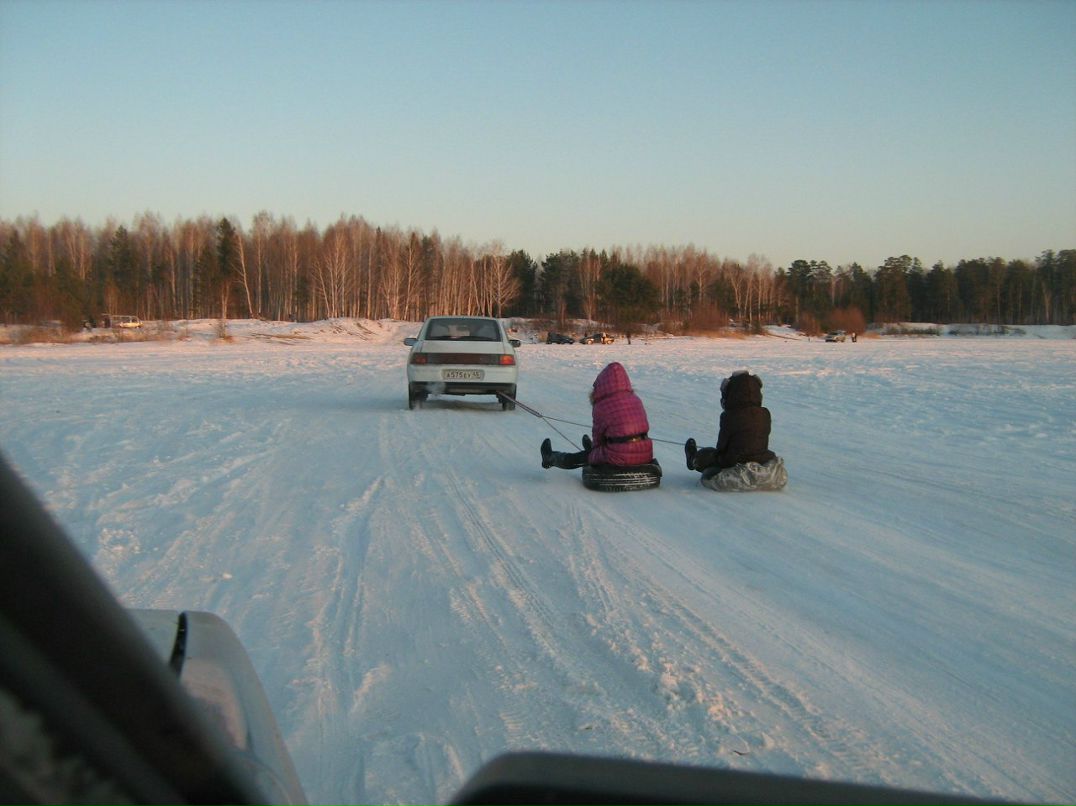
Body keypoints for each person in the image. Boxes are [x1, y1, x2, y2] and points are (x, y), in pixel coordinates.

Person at [541, 362, 653, 470]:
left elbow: (598, 436)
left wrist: (593, 452)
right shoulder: (636, 399)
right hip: (646, 452)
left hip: (619, 455)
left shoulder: (602, 405)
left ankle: (551, 458)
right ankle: (598, 451)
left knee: (584, 457)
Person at [685, 370, 776, 475]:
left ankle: (692, 460)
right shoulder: (765, 413)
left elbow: (721, 447)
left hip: (734, 461)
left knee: (706, 455)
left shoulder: (729, 416)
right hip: (761, 459)